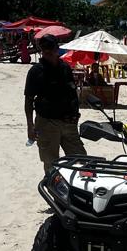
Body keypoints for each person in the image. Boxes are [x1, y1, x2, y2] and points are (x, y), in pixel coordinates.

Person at [25, 34, 86, 172]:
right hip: (46, 123)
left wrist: (75, 114)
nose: (49, 53)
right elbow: (28, 100)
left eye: (51, 49)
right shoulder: (36, 71)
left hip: (69, 123)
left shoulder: (65, 68)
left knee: (81, 160)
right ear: (41, 50)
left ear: (57, 49)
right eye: (45, 50)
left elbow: (72, 92)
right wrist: (30, 125)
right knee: (51, 163)